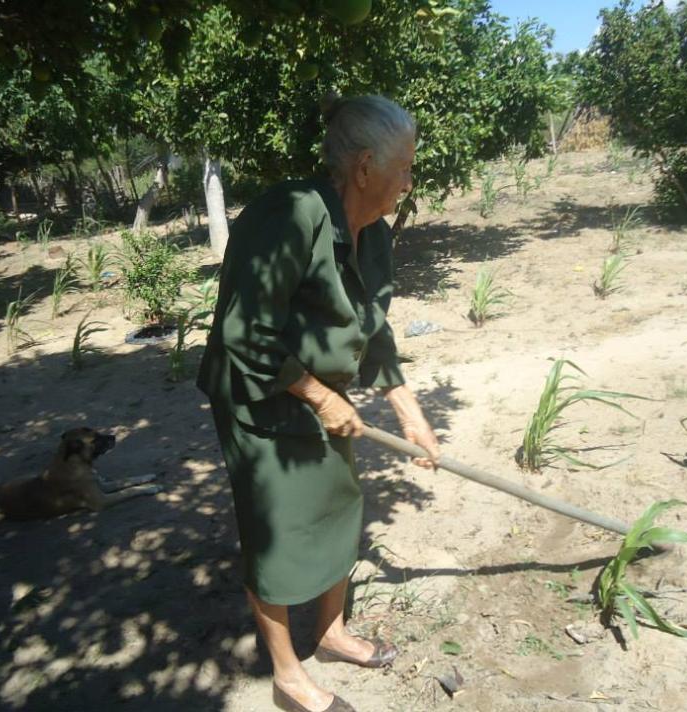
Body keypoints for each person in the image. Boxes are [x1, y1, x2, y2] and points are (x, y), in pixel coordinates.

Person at [197, 95, 440, 712]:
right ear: (364, 167)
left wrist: (413, 417)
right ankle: (287, 675)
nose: (410, 182)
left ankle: (330, 634)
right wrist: (315, 393)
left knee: (338, 502)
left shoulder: (373, 235)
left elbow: (373, 329)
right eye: (405, 168)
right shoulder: (290, 215)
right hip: (259, 391)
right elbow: (242, 332)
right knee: (275, 528)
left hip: (322, 395)